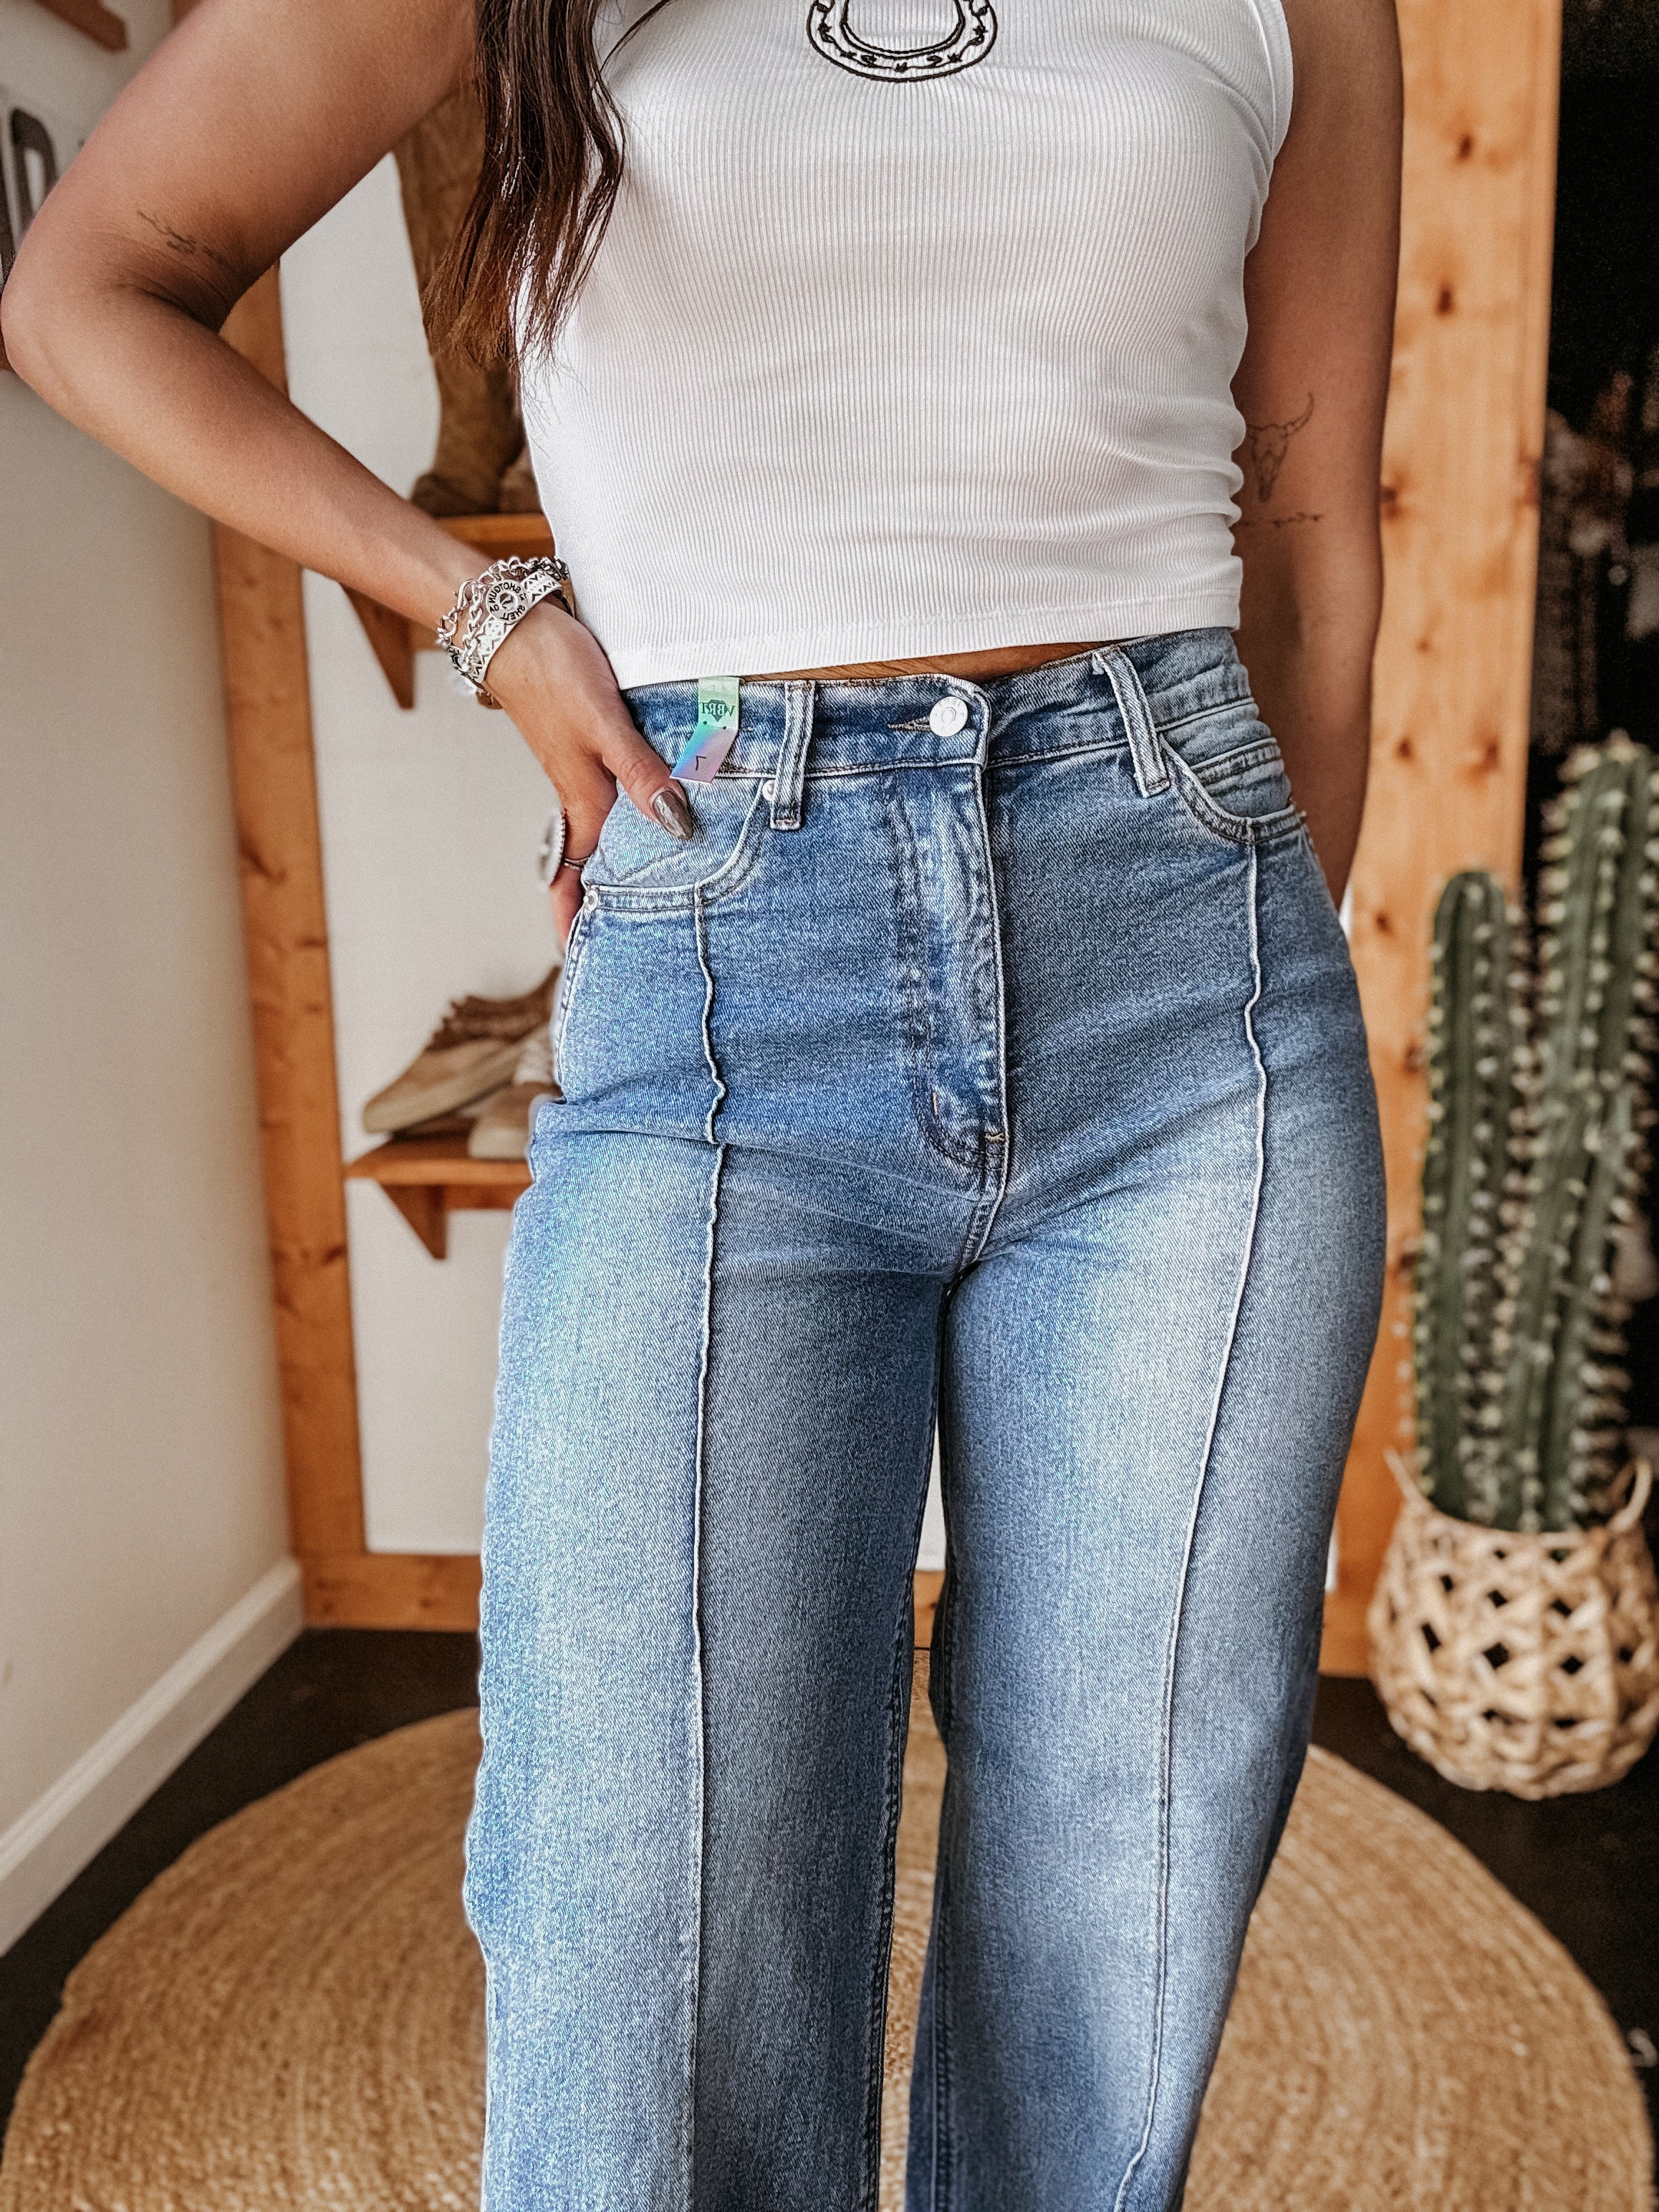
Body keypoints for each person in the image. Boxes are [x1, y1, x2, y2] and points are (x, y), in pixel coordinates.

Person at [3, 0, 1400, 2202]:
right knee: (643, 1910)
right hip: (736, 939)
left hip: (1190, 975)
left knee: (1115, 1905)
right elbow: (87, 288)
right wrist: (487, 613)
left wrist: (1238, 931)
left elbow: (1311, 521)